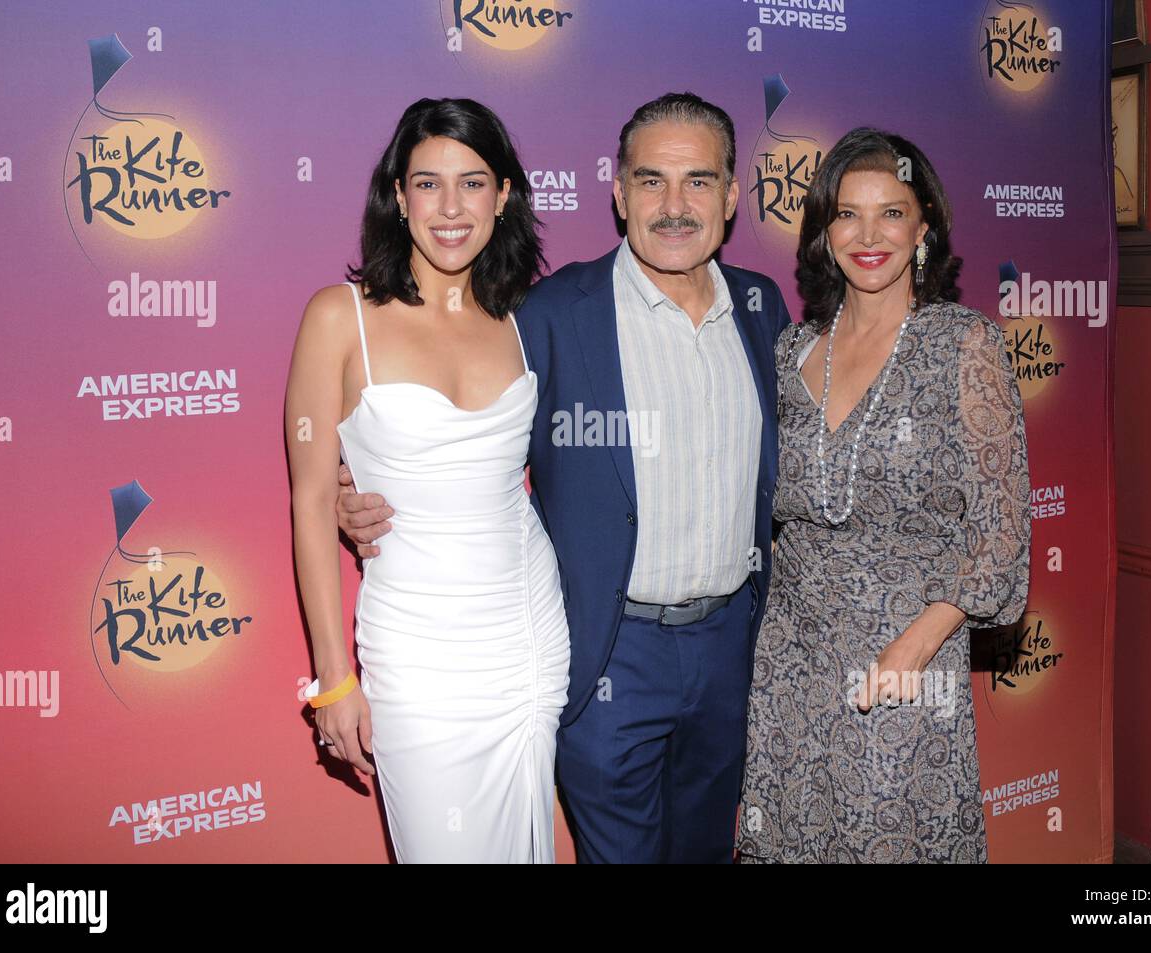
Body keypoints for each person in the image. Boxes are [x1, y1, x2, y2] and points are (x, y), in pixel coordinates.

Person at [338, 92, 792, 863]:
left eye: (699, 182)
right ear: (617, 193)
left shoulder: (763, 308)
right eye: (650, 181)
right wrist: (360, 493)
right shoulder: (548, 313)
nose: (674, 206)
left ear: (733, 195)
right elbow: (462, 431)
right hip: (605, 656)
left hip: (729, 651)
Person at [285, 97, 569, 863]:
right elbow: (312, 500)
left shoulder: (525, 317)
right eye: (428, 183)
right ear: (398, 194)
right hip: (416, 648)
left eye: (473, 183)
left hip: (528, 634)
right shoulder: (338, 318)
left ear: (503, 195)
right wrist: (333, 682)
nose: (451, 208)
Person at [738, 127, 1031, 863]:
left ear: (924, 224)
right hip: (790, 660)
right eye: (847, 214)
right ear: (823, 231)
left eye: (891, 213)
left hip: (905, 657)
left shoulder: (963, 346)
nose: (868, 235)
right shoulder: (788, 351)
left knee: (887, 838)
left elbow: (999, 529)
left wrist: (915, 645)